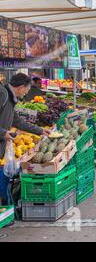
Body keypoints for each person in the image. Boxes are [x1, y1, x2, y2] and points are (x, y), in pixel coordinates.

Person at [0, 74, 51, 203]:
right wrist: (2, 133)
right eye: (27, 89)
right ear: (21, 87)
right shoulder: (3, 95)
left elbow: (18, 122)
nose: (27, 92)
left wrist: (40, 130)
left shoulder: (10, 99)